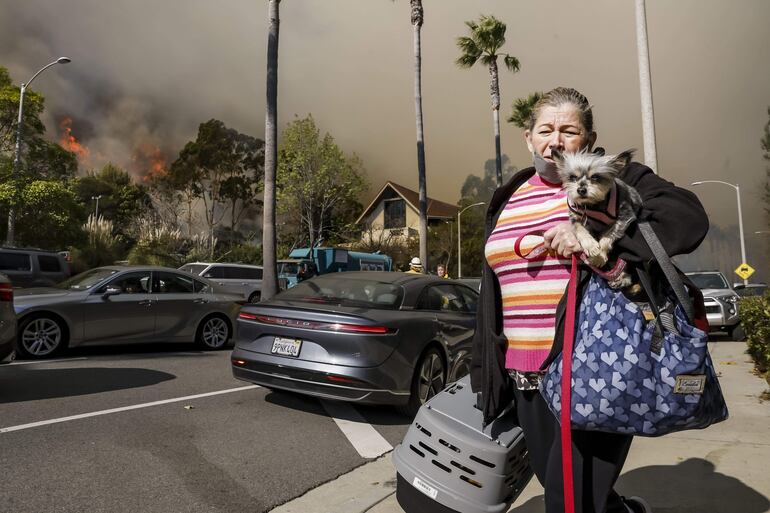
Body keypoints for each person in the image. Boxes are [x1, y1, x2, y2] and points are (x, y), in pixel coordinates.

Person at [470, 87, 708, 513]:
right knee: (571, 494)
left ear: (590, 138)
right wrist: (486, 370)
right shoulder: (509, 196)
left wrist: (599, 237)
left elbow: (688, 219)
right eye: (545, 130)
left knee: (568, 501)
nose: (555, 140)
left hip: (594, 369)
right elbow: (494, 292)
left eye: (569, 130)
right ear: (528, 139)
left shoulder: (615, 180)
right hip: (525, 377)